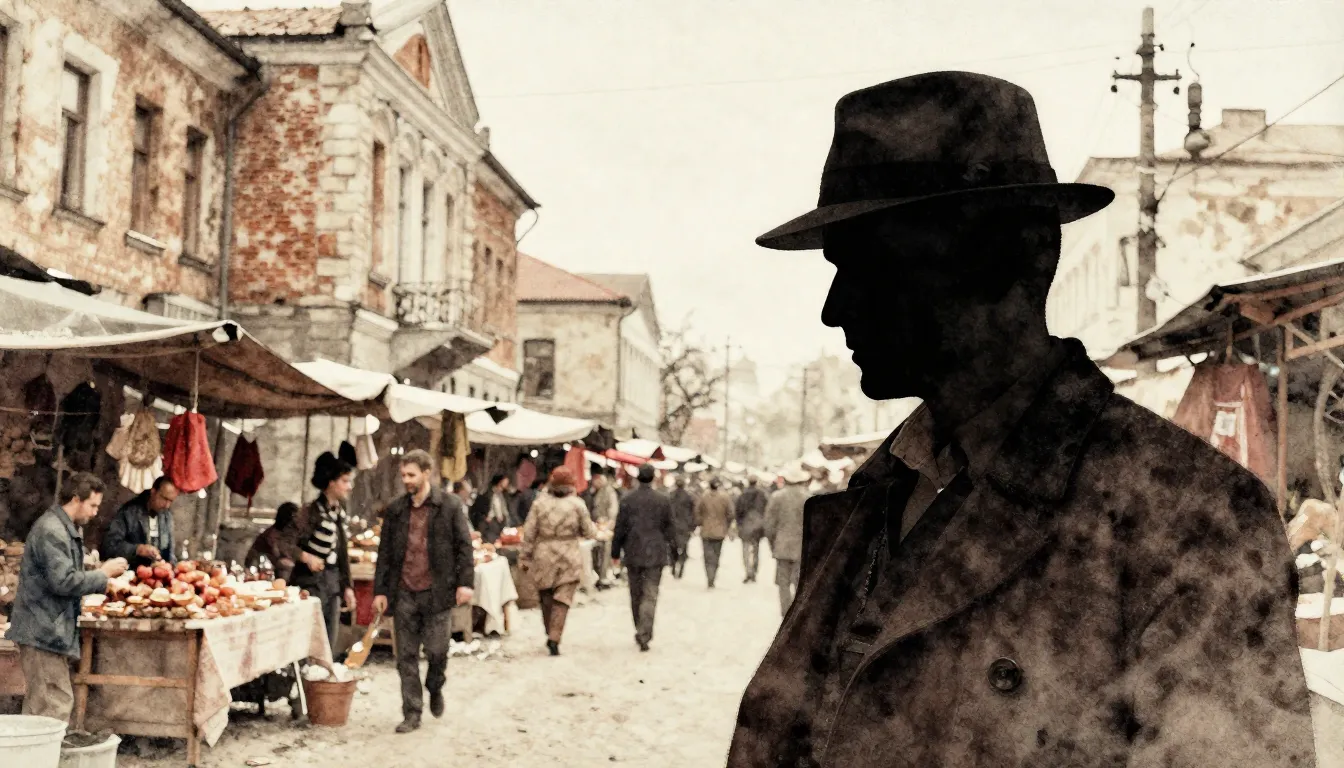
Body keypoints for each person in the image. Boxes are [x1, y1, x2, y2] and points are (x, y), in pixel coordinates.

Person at [726, 72, 1313, 767]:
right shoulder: (875, 495)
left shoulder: (1188, 517)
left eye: (873, 265)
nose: (836, 308)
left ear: (1015, 255)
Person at [9, 473, 127, 722]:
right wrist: (103, 574)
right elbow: (63, 581)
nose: (95, 513)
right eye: (92, 505)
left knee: (44, 706)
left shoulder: (65, 528)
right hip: (41, 630)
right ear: (75, 499)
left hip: (48, 629)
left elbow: (67, 573)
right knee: (52, 705)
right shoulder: (52, 530)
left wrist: (100, 578)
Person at [371, 449, 475, 733]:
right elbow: (384, 553)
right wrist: (380, 591)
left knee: (438, 651)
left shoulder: (449, 506)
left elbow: (464, 546)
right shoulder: (396, 510)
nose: (406, 480)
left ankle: (435, 685)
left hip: (436, 592)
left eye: (411, 475)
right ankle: (412, 712)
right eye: (403, 475)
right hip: (404, 591)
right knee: (405, 656)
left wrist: (465, 583)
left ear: (427, 473)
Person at [281, 452, 356, 657]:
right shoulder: (310, 512)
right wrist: (306, 557)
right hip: (310, 583)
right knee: (307, 638)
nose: (349, 486)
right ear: (331, 483)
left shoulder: (339, 514)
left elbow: (342, 553)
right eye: (345, 481)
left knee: (328, 639)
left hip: (332, 583)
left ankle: (322, 674)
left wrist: (347, 587)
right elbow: (285, 542)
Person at [519, 467, 596, 656]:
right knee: (563, 597)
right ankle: (555, 635)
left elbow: (529, 532)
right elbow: (589, 531)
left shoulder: (539, 504)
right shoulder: (577, 504)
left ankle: (549, 631)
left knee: (546, 595)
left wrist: (525, 556)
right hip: (569, 554)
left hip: (544, 553)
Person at [610, 464, 679, 651]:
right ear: (654, 478)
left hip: (633, 552)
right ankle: (645, 633)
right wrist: (674, 552)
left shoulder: (627, 499)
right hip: (655, 554)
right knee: (650, 594)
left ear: (637, 477)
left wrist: (615, 552)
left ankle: (639, 627)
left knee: (636, 594)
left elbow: (620, 528)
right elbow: (670, 528)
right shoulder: (663, 500)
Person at [102, 476, 180, 568]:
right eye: (164, 499)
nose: (167, 505)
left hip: (159, 573)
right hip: (131, 572)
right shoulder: (129, 512)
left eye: (171, 501)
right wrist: (138, 549)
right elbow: (109, 546)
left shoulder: (166, 515)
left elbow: (170, 553)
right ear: (153, 492)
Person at [763, 469, 809, 616]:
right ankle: (798, 612)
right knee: (800, 582)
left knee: (783, 582)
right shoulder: (808, 497)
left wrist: (772, 543)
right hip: (802, 546)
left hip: (782, 545)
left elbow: (769, 525)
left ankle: (786, 612)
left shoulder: (777, 496)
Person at [692, 478, 733, 589]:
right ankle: (713, 576)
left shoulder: (704, 497)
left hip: (706, 530)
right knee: (716, 555)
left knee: (707, 556)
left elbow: (697, 511)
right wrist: (726, 525)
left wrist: (700, 522)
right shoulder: (725, 497)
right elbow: (730, 513)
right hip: (720, 531)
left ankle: (709, 577)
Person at [244, 501, 299, 580]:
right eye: (294, 518)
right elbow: (252, 557)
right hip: (268, 574)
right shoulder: (271, 535)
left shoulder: (294, 534)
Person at [734, 477, 769, 583]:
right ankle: (754, 571)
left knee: (745, 550)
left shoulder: (742, 494)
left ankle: (748, 571)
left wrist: (739, 524)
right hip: (758, 526)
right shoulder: (762, 495)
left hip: (745, 525)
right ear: (756, 482)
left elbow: (738, 511)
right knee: (756, 550)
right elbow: (766, 510)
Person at [469, 474, 513, 544]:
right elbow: (477, 512)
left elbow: (506, 510)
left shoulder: (504, 495)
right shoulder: (486, 495)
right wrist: (486, 518)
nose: (502, 488)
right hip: (488, 522)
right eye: (501, 485)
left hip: (501, 522)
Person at [668, 477, 697, 579]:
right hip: (685, 527)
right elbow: (693, 513)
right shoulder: (689, 497)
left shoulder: (671, 495)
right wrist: (693, 526)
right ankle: (681, 568)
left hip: (673, 526)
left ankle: (673, 566)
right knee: (684, 548)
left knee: (673, 548)